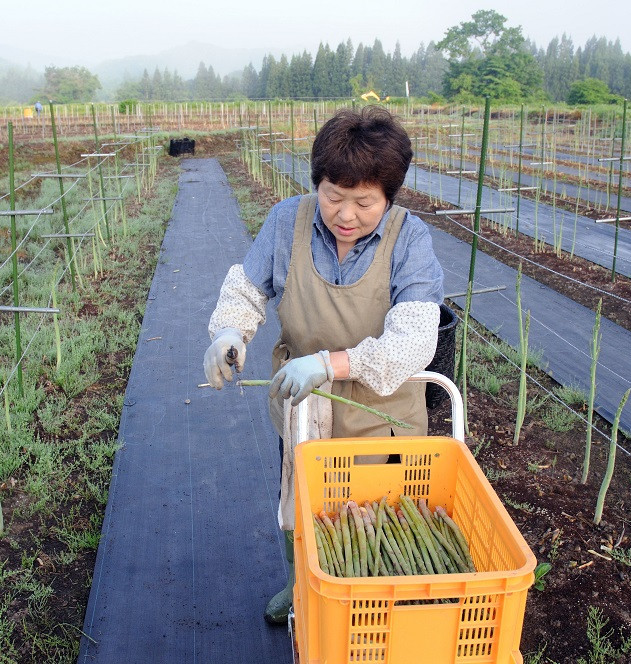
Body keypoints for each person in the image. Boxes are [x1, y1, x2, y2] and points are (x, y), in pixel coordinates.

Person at [202, 105, 445, 624]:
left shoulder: (411, 241)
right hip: (303, 405)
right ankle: (301, 588)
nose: (346, 214)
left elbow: (416, 339)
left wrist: (333, 362)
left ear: (389, 196)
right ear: (317, 183)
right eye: (333, 196)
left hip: (383, 415)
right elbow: (247, 289)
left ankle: (372, 602)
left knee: (376, 518)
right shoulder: (286, 221)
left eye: (364, 202)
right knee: (301, 503)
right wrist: (229, 330)